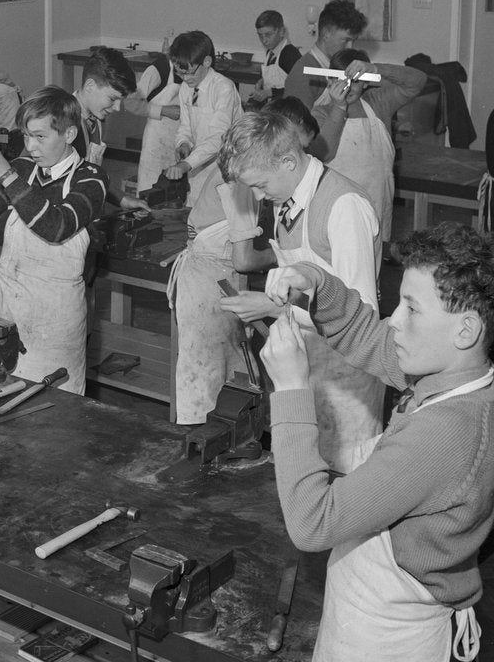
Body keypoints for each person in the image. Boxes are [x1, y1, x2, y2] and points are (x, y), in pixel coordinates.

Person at [260, 223, 493, 662]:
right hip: (374, 605)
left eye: (411, 309)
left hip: (386, 638)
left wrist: (292, 388)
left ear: (465, 330)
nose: (395, 322)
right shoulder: (457, 375)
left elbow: (312, 523)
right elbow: (371, 338)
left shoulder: (446, 434)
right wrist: (316, 282)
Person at [217, 109, 383, 474]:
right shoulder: (287, 200)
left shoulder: (343, 206)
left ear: (289, 161)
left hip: (346, 375)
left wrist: (274, 308)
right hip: (308, 361)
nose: (258, 195)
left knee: (346, 482)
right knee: (301, 473)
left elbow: (363, 316)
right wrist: (274, 304)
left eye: (260, 184)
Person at [0, 86, 108, 394]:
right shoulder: (23, 169)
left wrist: (5, 173)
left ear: (70, 133)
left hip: (53, 318)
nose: (31, 147)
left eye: (40, 136)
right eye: (26, 136)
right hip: (4, 306)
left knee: (54, 411)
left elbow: (56, 227)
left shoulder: (90, 179)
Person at [170, 97, 318, 425]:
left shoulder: (244, 161)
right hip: (208, 284)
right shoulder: (244, 176)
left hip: (214, 276)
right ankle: (199, 442)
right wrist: (291, 256)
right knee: (208, 378)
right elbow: (244, 259)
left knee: (232, 376)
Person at [311, 49, 427, 242]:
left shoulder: (378, 103)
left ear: (366, 82)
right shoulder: (320, 113)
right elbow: (325, 153)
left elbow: (418, 81)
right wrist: (339, 108)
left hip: (377, 204)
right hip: (338, 208)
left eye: (355, 80)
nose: (347, 87)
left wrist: (375, 68)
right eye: (340, 80)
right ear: (329, 81)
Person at [164, 30, 242, 209]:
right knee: (196, 215)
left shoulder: (224, 89)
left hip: (227, 166)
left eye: (190, 73)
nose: (185, 78)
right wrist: (183, 143)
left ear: (206, 62)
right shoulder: (186, 88)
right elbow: (185, 125)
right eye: (180, 74)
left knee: (221, 219)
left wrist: (186, 164)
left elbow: (218, 139)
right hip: (198, 164)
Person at [71, 46, 150, 211]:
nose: (116, 108)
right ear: (90, 86)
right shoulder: (61, 124)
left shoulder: (95, 118)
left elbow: (92, 174)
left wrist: (122, 199)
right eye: (112, 99)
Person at [284, 0, 367, 109]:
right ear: (326, 34)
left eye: (353, 41)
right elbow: (294, 124)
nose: (350, 47)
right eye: (346, 40)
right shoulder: (304, 74)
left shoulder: (339, 67)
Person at [122, 52, 182, 192]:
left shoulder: (192, 72)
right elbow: (130, 103)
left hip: (179, 141)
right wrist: (163, 110)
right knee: (150, 192)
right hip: (157, 143)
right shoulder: (159, 69)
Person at [247, 10, 301, 106]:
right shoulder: (270, 52)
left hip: (288, 109)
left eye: (268, 35)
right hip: (274, 106)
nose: (264, 40)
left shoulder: (289, 54)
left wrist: (269, 93)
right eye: (260, 35)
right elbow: (275, 77)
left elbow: (298, 87)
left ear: (281, 32)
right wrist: (260, 83)